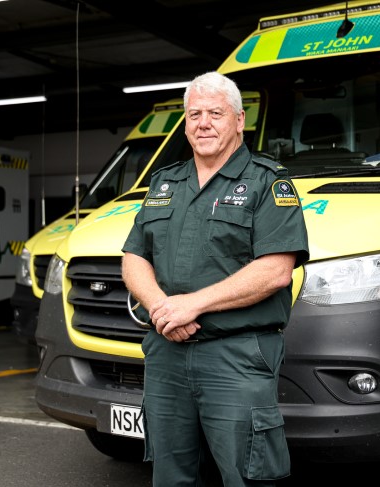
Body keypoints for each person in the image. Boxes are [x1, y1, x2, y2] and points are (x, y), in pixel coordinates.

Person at [121, 71, 309, 487]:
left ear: (239, 120)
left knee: (247, 475)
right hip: (166, 354)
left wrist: (194, 304)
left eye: (215, 113)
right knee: (170, 476)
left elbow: (276, 270)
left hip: (236, 357)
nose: (203, 123)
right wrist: (160, 307)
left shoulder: (268, 181)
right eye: (194, 114)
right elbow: (134, 256)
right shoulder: (164, 182)